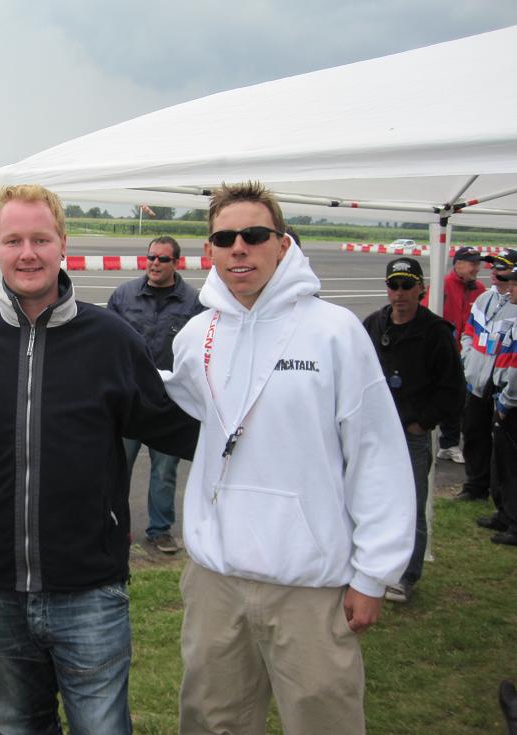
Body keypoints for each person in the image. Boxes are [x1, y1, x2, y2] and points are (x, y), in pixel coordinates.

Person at [0, 184, 200, 734]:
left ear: (63, 244)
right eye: (13, 240)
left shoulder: (112, 340)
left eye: (41, 239)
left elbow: (181, 428)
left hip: (90, 590)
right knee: (20, 727)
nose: (27, 253)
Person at [162, 181, 415, 735]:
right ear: (208, 251)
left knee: (324, 721)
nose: (239, 248)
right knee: (212, 721)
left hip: (309, 583)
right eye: (224, 238)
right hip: (216, 580)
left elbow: (375, 453)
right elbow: (177, 405)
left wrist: (374, 574)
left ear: (282, 243)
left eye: (254, 235)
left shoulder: (335, 332)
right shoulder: (197, 335)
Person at [363, 257, 465, 602]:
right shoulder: (373, 324)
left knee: (410, 504)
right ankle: (371, 566)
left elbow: (453, 389)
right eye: (394, 285)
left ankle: (406, 575)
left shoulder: (436, 332)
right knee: (369, 499)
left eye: (407, 286)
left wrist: (423, 423)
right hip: (374, 430)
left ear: (421, 289)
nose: (400, 293)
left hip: (410, 434)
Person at [107, 236, 205, 553]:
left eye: (163, 259)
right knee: (117, 467)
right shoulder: (124, 296)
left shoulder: (194, 303)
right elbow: (107, 345)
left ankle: (160, 530)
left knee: (164, 471)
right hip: (129, 401)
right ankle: (115, 526)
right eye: (151, 257)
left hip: (169, 404)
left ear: (176, 262)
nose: (155, 263)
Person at [457, 250, 517, 503]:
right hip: (477, 380)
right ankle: (475, 486)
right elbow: (468, 332)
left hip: (502, 384)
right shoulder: (483, 298)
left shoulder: (515, 303)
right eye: (493, 266)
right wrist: (468, 360)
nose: (493, 271)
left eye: (501, 268)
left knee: (502, 444)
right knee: (473, 433)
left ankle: (501, 496)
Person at [422, 245, 485, 463]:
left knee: (460, 400)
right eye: (473, 263)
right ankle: (441, 444)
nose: (477, 268)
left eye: (478, 263)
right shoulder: (442, 286)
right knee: (443, 397)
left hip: (467, 352)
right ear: (458, 264)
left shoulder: (480, 289)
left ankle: (450, 443)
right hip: (443, 352)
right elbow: (426, 313)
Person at [485, 264, 517, 544]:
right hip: (503, 393)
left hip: (511, 402)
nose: (510, 289)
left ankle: (514, 522)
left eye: (514, 285)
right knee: (502, 461)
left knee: (511, 464)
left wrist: (506, 402)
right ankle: (505, 513)